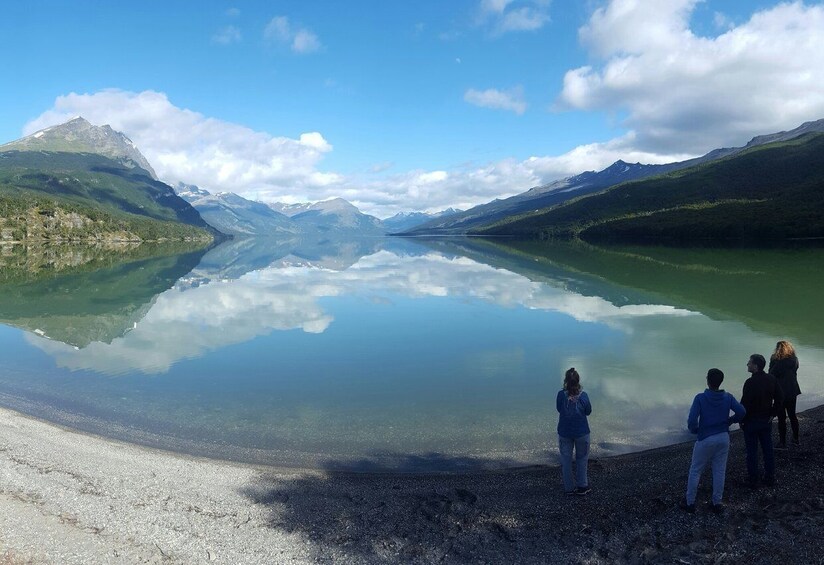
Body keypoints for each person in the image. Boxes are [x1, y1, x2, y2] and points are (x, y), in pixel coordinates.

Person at [683, 368, 746, 513]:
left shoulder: (700, 398)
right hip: (723, 437)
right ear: (720, 382)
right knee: (719, 470)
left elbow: (692, 420)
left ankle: (690, 503)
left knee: (696, 470)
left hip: (705, 437)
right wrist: (731, 421)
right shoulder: (728, 397)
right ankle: (717, 502)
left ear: (707, 380)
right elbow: (742, 412)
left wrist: (695, 430)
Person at [740, 353, 784, 488]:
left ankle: (753, 479)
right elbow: (780, 397)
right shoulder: (771, 379)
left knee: (752, 452)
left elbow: (745, 404)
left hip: (751, 421)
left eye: (749, 362)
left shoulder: (750, 382)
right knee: (767, 449)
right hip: (766, 420)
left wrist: (741, 420)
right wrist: (773, 413)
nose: (747, 364)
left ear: (756, 366)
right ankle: (769, 477)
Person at [556, 367, 592, 495]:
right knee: (582, 459)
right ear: (578, 381)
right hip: (582, 432)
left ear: (566, 381)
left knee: (566, 461)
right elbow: (588, 411)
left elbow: (559, 409)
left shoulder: (561, 395)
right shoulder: (584, 396)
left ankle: (569, 488)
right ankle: (582, 486)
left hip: (564, 432)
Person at [769, 340, 802, 448]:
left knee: (781, 417)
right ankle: (796, 439)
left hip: (780, 392)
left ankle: (782, 442)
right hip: (792, 390)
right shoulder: (794, 360)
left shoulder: (776, 360)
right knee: (792, 415)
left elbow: (771, 374)